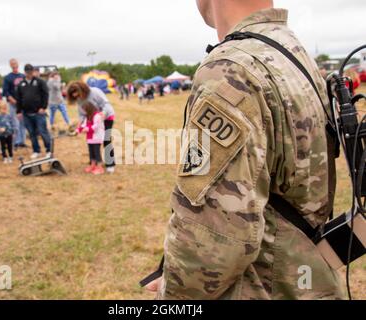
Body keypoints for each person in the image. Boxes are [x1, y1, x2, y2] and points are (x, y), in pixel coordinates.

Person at [145, 1, 344, 300]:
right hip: (308, 279)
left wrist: (172, 296)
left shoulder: (232, 69)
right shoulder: (291, 52)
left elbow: (213, 241)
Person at [67, 81, 116, 173]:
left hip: (107, 116)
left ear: (82, 90)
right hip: (93, 119)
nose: (78, 98)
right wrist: (79, 126)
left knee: (106, 139)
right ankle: (94, 163)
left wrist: (103, 114)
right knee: (92, 141)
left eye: (78, 95)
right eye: (75, 97)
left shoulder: (95, 92)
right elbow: (82, 114)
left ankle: (110, 164)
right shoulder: (79, 99)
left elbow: (107, 104)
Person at [15, 64, 51, 159]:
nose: (29, 74)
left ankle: (49, 150)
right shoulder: (21, 84)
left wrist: (43, 107)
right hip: (26, 113)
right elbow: (18, 98)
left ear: (33, 72)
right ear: (25, 72)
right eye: (27, 72)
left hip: (39, 112)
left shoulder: (40, 82)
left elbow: (45, 95)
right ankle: (36, 150)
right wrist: (18, 111)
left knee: (43, 132)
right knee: (31, 133)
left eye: (31, 72)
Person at [2, 58, 26, 148]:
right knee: (15, 124)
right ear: (10, 65)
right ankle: (15, 143)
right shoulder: (8, 78)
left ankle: (22, 142)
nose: (14, 64)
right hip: (13, 104)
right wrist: (13, 101)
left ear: (18, 64)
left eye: (15, 63)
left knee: (23, 124)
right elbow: (6, 92)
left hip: (23, 104)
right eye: (12, 63)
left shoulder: (23, 76)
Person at [76, 101, 105, 175]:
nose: (84, 111)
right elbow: (84, 125)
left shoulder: (97, 116)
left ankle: (100, 168)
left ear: (89, 109)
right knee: (91, 152)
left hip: (97, 137)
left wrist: (87, 129)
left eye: (85, 109)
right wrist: (78, 130)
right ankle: (93, 165)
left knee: (96, 152)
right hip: (90, 138)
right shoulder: (87, 116)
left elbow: (96, 126)